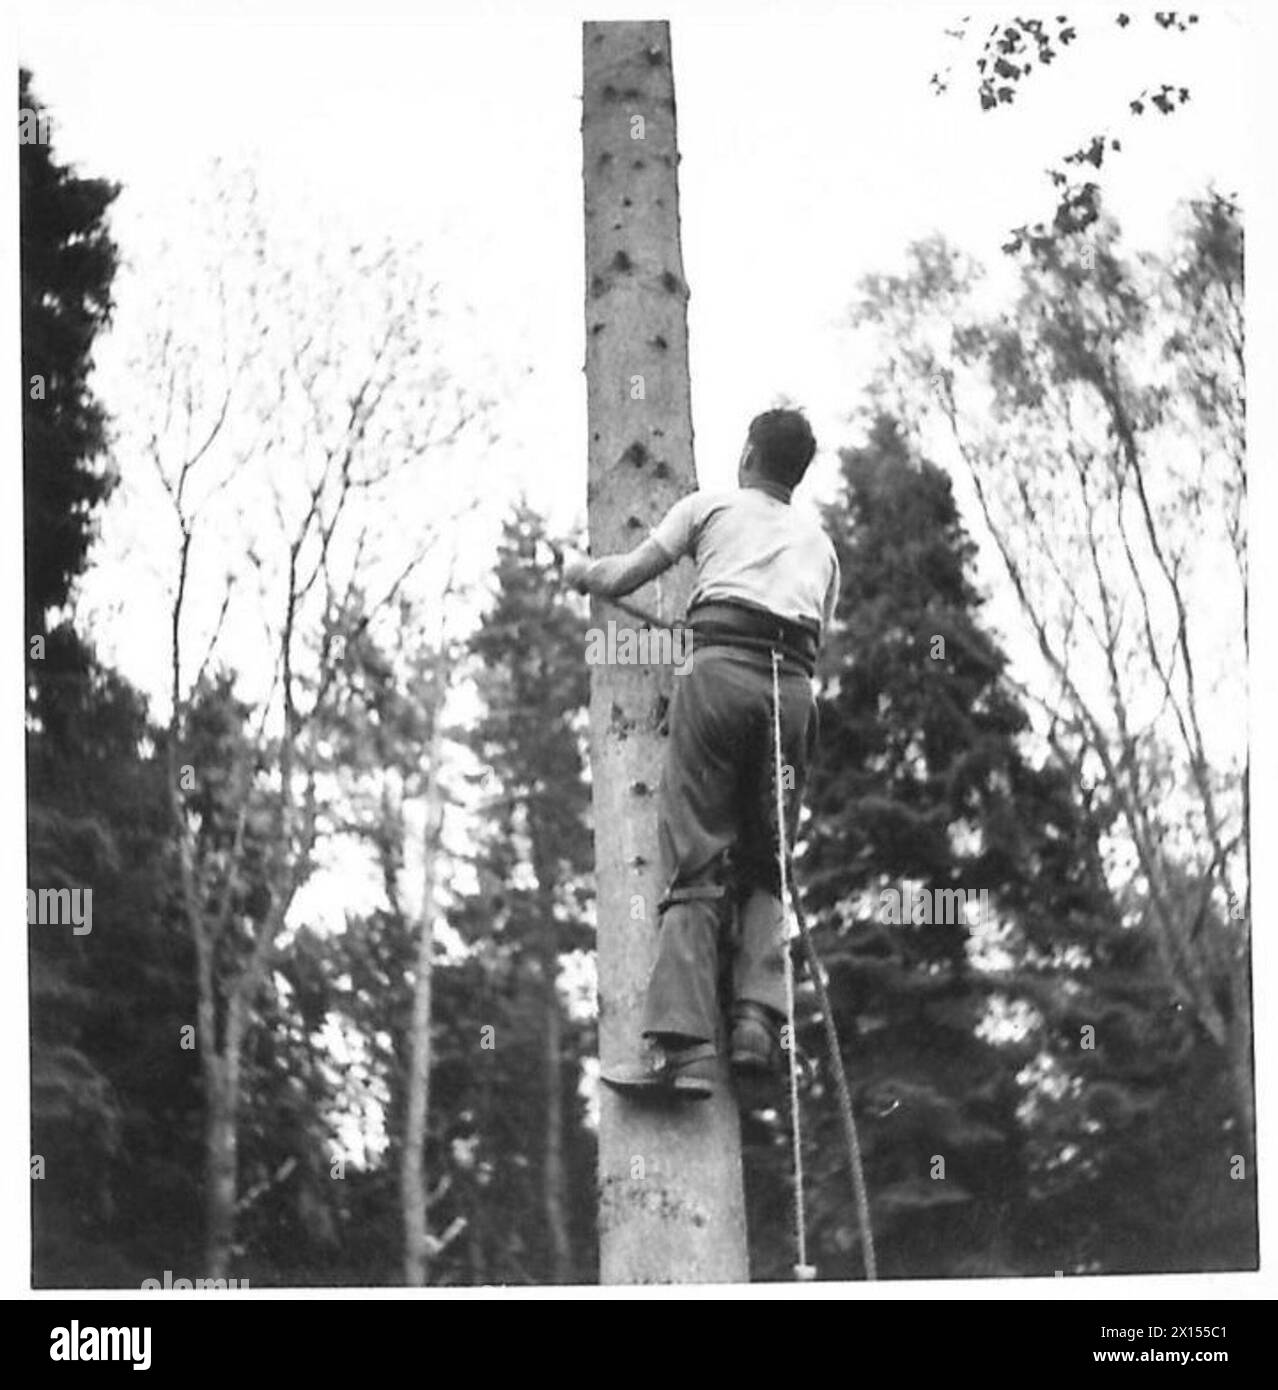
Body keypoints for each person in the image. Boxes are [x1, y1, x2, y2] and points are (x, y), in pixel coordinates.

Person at [564, 408, 839, 1100]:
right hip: (792, 695)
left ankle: (684, 1049)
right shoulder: (821, 548)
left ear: (747, 454)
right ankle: (755, 1022)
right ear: (797, 475)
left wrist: (578, 571)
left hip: (719, 681)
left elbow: (622, 576)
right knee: (770, 861)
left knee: (697, 850)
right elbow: (818, 642)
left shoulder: (709, 507)